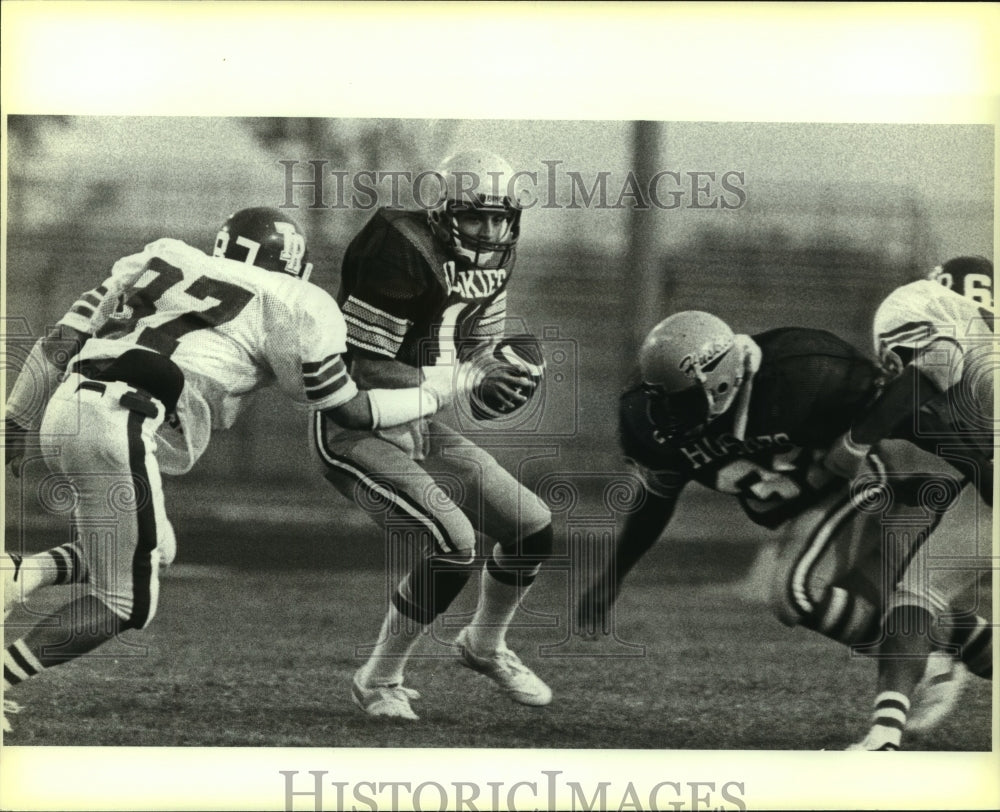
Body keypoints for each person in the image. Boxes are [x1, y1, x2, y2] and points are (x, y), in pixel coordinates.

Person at [2, 207, 472, 733]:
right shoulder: (297, 300)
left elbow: (58, 343)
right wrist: (434, 394)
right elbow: (349, 409)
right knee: (127, 604)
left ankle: (18, 575)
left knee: (154, 554)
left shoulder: (163, 253)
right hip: (122, 423)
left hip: (68, 409)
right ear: (295, 264)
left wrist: (15, 418)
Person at [312, 149, 555, 720]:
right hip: (358, 421)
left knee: (531, 528)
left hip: (420, 416)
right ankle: (379, 678)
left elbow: (476, 346)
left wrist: (507, 369)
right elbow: (366, 364)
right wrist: (467, 380)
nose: (490, 230)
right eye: (475, 217)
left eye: (500, 218)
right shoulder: (398, 246)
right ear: (442, 212)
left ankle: (485, 644)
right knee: (454, 543)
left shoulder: (500, 250)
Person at [824, 256, 994, 750]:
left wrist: (856, 441)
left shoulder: (923, 301)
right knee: (915, 596)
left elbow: (935, 364)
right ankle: (884, 734)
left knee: (916, 599)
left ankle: (884, 737)